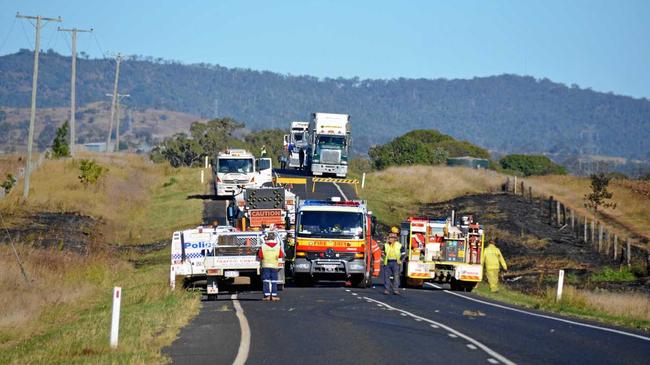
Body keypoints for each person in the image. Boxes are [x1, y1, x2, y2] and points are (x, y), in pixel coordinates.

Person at [258, 230, 284, 301]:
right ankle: (274, 296)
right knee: (274, 281)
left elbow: (260, 255)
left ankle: (267, 296)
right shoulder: (278, 246)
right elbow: (281, 255)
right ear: (274, 238)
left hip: (265, 265)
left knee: (266, 280)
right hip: (274, 266)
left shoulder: (263, 246)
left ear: (267, 238)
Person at [382, 226, 404, 295]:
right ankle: (387, 290)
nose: (390, 239)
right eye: (390, 238)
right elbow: (383, 252)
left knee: (396, 277)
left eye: (392, 238)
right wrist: (383, 257)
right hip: (387, 262)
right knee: (386, 277)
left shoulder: (399, 245)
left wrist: (400, 260)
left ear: (395, 239)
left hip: (396, 262)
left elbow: (403, 253)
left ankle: (395, 290)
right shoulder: (385, 245)